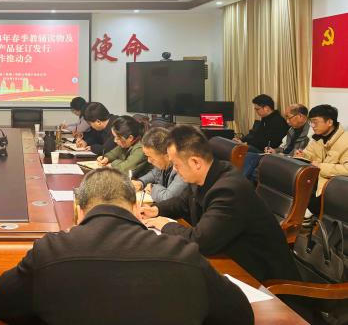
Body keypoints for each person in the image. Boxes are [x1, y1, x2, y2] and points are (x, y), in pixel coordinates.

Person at [0, 168, 254, 325]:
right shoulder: (183, 254)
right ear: (134, 207)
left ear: (79, 210)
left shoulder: (50, 251)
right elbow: (239, 315)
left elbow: (3, 304)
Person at [142, 125, 299, 282]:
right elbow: (183, 202)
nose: (175, 170)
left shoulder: (229, 190)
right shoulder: (206, 174)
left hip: (261, 278)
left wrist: (164, 225)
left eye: (176, 164)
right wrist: (156, 209)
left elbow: (201, 241)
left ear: (195, 162)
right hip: (229, 260)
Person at [294, 104, 348, 213]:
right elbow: (309, 153)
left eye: (315, 122)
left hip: (332, 187)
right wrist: (302, 155)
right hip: (315, 180)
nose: (312, 126)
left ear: (329, 122)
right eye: (310, 122)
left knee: (304, 202)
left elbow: (346, 169)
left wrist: (320, 166)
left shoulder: (345, 141)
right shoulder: (317, 138)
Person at [242, 104, 312, 182]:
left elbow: (302, 156)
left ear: (300, 116)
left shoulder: (310, 133)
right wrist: (274, 150)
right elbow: (283, 147)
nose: (287, 121)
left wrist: (283, 155)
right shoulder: (291, 130)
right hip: (282, 157)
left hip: (291, 162)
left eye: (289, 117)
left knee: (253, 163)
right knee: (249, 157)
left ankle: (241, 183)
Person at [132, 126, 187, 202]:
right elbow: (154, 174)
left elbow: (168, 198)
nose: (149, 161)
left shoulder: (182, 169)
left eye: (150, 157)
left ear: (167, 155)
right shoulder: (163, 163)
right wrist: (140, 182)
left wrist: (153, 188)